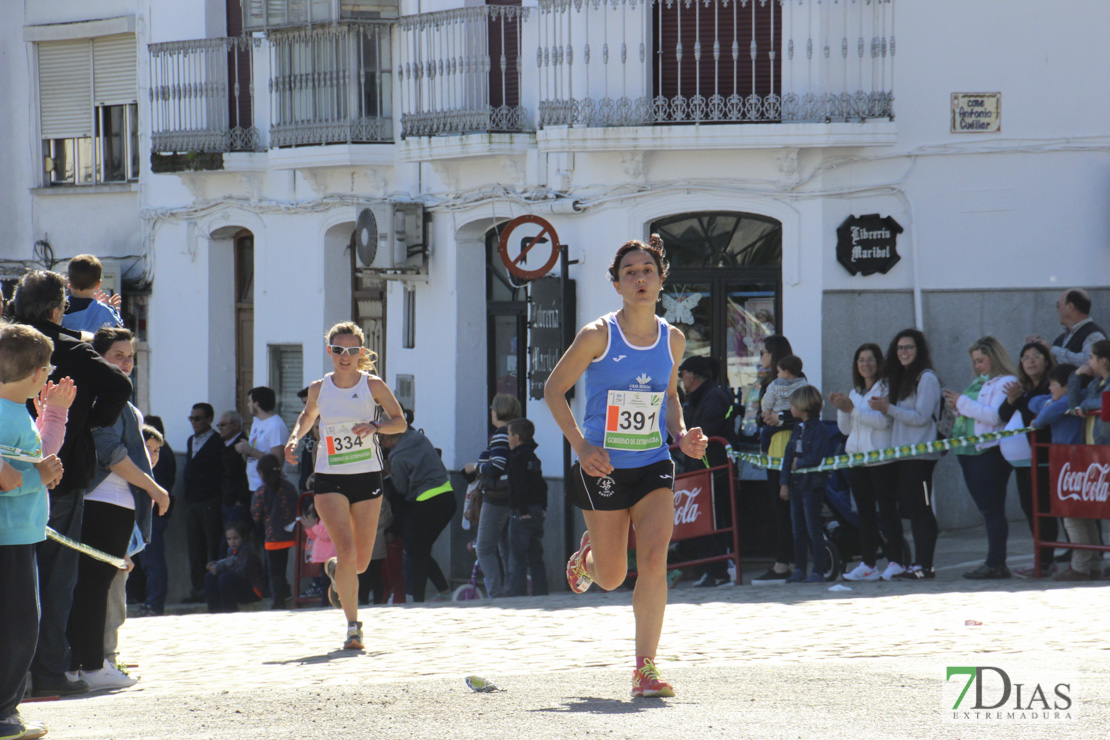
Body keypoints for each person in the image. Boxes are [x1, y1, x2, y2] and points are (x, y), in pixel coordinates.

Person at [545, 234, 708, 699]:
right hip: (603, 465)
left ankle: (645, 670)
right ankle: (588, 557)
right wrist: (579, 445)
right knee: (613, 576)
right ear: (617, 284)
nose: (640, 278)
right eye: (630, 272)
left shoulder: (673, 339)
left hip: (654, 461)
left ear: (661, 282)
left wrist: (681, 436)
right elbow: (554, 390)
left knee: (655, 559)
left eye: (647, 271)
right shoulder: (599, 334)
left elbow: (670, 399)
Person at [12, 270, 132, 698]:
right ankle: (48, 673)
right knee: (56, 578)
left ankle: (18, 680)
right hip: (59, 472)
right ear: (58, 308)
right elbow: (119, 383)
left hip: (12, 477)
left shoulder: (7, 343)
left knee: (17, 583)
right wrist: (87, 421)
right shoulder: (69, 346)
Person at [283, 321, 406, 650]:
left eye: (352, 350)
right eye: (338, 350)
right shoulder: (319, 388)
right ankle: (353, 627)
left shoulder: (373, 385)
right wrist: (294, 438)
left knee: (360, 562)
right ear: (330, 352)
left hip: (367, 477)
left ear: (361, 353)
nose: (345, 356)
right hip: (330, 478)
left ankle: (338, 571)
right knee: (348, 550)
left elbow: (401, 421)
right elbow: (308, 416)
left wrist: (376, 426)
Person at [68, 327, 170, 690]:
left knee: (95, 585)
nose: (126, 364)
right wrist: (155, 488)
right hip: (103, 500)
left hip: (116, 504)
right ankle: (92, 666)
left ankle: (83, 664)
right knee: (93, 587)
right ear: (101, 358)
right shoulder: (106, 397)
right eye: (118, 356)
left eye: (130, 357)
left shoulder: (119, 399)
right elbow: (111, 452)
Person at [0, 324, 66, 740]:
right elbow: (9, 479)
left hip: (17, 534)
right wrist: (37, 476)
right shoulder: (8, 413)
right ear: (38, 374)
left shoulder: (15, 410)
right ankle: (4, 716)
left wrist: (51, 417)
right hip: (12, 537)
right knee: (21, 628)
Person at [942, 336, 1018, 580]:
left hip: (989, 450)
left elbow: (995, 416)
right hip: (969, 450)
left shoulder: (1006, 381)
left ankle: (996, 562)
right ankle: (994, 561)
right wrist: (955, 406)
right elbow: (972, 415)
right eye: (974, 361)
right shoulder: (980, 382)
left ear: (994, 358)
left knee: (992, 509)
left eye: (981, 360)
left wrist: (961, 402)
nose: (977, 366)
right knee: (987, 509)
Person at [871, 329, 941, 581]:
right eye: (900, 348)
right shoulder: (900, 379)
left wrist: (889, 408)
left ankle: (925, 564)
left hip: (921, 454)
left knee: (922, 508)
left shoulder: (927, 378)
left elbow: (921, 417)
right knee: (912, 508)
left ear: (919, 350)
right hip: (903, 454)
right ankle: (917, 563)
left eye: (909, 347)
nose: (904, 352)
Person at [829, 342, 903, 581]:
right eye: (861, 360)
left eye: (870, 359)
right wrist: (843, 408)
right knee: (865, 514)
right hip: (857, 462)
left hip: (882, 460)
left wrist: (853, 410)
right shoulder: (855, 392)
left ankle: (896, 560)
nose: (866, 364)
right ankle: (868, 563)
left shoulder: (885, 388)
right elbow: (845, 428)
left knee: (888, 511)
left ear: (879, 363)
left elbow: (884, 422)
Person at [998, 341, 1057, 578]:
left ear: (1046, 360)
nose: (1031, 361)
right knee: (1029, 509)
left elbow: (1034, 416)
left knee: (1045, 509)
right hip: (1023, 462)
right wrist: (1012, 399)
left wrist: (1020, 400)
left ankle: (1046, 561)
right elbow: (1002, 415)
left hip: (1044, 457)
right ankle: (1041, 557)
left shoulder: (1049, 387)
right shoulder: (1021, 387)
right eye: (1026, 357)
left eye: (1036, 356)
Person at [1028, 365, 1093, 581]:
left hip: (1071, 462)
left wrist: (1041, 416)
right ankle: (1092, 563)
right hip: (1077, 460)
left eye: (1053, 386)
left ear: (1066, 385)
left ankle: (1080, 566)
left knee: (1072, 516)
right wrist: (1048, 401)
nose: (1050, 390)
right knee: (1085, 517)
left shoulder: (1067, 402)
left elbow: (1042, 417)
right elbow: (1036, 402)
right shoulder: (1075, 399)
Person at [378, 425, 456, 602]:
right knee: (421, 548)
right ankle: (443, 592)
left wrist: (392, 473)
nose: (383, 445)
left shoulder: (397, 457)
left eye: (382, 441)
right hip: (448, 497)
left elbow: (402, 488)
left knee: (415, 549)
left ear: (388, 439)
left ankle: (416, 599)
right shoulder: (418, 438)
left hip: (427, 502)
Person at [676, 355, 735, 587]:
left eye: (682, 375)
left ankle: (720, 571)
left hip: (712, 470)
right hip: (698, 470)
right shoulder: (697, 397)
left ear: (691, 375)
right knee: (701, 522)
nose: (681, 380)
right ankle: (711, 569)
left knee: (714, 521)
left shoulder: (715, 396)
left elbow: (707, 430)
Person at [464, 394, 520, 600]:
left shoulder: (500, 434)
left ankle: (496, 593)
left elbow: (496, 466)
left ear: (498, 411)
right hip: (511, 495)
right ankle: (512, 590)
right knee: (506, 547)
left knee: (484, 547)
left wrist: (474, 466)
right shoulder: (516, 432)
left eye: (493, 408)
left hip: (496, 497)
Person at [752, 334, 799, 582]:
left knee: (785, 510)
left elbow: (803, 412)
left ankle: (784, 563)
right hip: (772, 453)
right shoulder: (768, 384)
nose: (761, 358)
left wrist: (778, 418)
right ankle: (788, 560)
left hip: (788, 452)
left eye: (764, 353)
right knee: (779, 510)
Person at [779, 386, 834, 583]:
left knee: (813, 529)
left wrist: (799, 463)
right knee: (798, 529)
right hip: (796, 485)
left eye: (793, 404)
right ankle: (799, 568)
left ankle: (818, 570)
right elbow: (787, 456)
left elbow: (817, 456)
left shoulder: (819, 430)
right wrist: (784, 482)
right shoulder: (797, 428)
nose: (790, 408)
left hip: (812, 485)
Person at [181, 402, 223, 602]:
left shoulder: (217, 441)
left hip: (210, 500)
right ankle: (197, 588)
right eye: (192, 418)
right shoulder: (191, 441)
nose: (194, 422)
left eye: (198, 418)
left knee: (211, 544)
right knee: (194, 547)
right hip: (192, 501)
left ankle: (211, 588)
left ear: (209, 420)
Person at [505, 418, 548, 597]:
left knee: (517, 559)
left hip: (522, 513)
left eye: (508, 434)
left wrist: (522, 511)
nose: (507, 438)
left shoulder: (516, 458)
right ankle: (541, 593)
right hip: (538, 511)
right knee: (536, 557)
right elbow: (542, 485)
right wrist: (543, 507)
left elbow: (520, 486)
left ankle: (517, 596)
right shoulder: (533, 457)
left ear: (516, 437)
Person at [138, 415, 175, 617]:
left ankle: (154, 603)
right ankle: (151, 602)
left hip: (155, 515)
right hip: (150, 514)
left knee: (153, 561)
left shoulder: (161, 455)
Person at [251, 454, 298, 609]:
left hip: (272, 537)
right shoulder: (289, 487)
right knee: (282, 567)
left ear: (261, 473)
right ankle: (286, 593)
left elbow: (256, 515)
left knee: (275, 571)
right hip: (289, 534)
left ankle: (278, 601)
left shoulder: (261, 492)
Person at [1028, 288, 1106, 369]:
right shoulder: (1062, 338)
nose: (1057, 311)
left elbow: (1089, 361)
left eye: (1058, 306)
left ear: (1070, 307)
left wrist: (1053, 350)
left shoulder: (1094, 334)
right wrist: (1038, 345)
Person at [237, 387, 289, 497]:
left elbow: (277, 462)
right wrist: (245, 450)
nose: (248, 405)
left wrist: (250, 450)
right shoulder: (256, 421)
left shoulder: (276, 426)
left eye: (250, 401)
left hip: (268, 487)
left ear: (256, 404)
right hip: (253, 484)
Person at [205, 521, 264, 613]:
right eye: (229, 539)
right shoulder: (231, 550)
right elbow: (229, 562)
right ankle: (213, 611)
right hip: (239, 587)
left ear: (243, 537)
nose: (232, 542)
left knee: (225, 578)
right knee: (210, 576)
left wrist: (219, 567)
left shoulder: (247, 550)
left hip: (253, 590)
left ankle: (229, 612)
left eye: (235, 538)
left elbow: (241, 571)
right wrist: (215, 565)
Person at [60, 254, 124, 335]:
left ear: (68, 283)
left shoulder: (58, 308)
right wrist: (110, 308)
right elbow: (119, 334)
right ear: (98, 284)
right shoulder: (105, 312)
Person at [1068, 339, 1110, 445]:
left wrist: (1086, 404)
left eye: (1091, 357)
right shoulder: (1093, 384)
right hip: (1090, 448)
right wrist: (1076, 377)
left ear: (1102, 361)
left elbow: (1105, 403)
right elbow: (1074, 406)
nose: (1088, 362)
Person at [300, 498, 336, 606]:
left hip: (331, 556)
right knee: (324, 583)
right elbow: (315, 536)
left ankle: (328, 603)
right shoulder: (321, 520)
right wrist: (308, 527)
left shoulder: (331, 517)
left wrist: (313, 526)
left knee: (329, 582)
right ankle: (326, 602)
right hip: (322, 557)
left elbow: (326, 534)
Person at [217, 410, 250, 525]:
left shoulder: (242, 445)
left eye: (223, 425)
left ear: (235, 425)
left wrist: (241, 500)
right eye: (218, 425)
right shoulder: (223, 444)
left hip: (237, 502)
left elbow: (247, 473)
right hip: (226, 500)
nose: (220, 428)